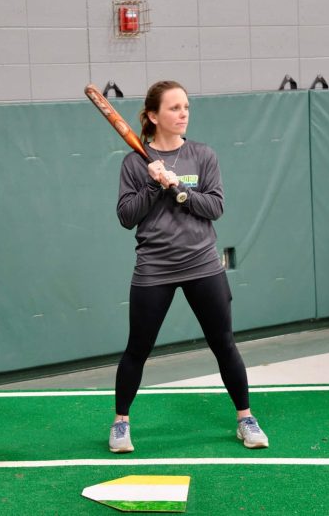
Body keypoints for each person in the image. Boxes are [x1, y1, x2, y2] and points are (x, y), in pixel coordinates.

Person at [109, 80, 269, 453]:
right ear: (152, 116)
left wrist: (177, 187)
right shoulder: (135, 162)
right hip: (154, 267)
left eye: (186, 107)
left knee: (223, 344)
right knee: (138, 348)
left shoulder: (203, 155)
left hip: (202, 264)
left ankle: (245, 417)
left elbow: (214, 207)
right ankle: (120, 423)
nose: (183, 114)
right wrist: (151, 186)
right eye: (174, 108)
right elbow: (125, 216)